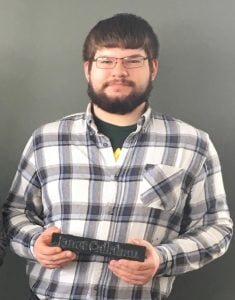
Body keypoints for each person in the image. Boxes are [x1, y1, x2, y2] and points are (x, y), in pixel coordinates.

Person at [3, 13, 233, 300]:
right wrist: (34, 243)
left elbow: (216, 227)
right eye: (106, 60)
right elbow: (14, 214)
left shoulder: (193, 144)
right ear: (88, 69)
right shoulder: (46, 140)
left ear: (153, 68)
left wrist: (163, 258)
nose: (119, 71)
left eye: (133, 60)